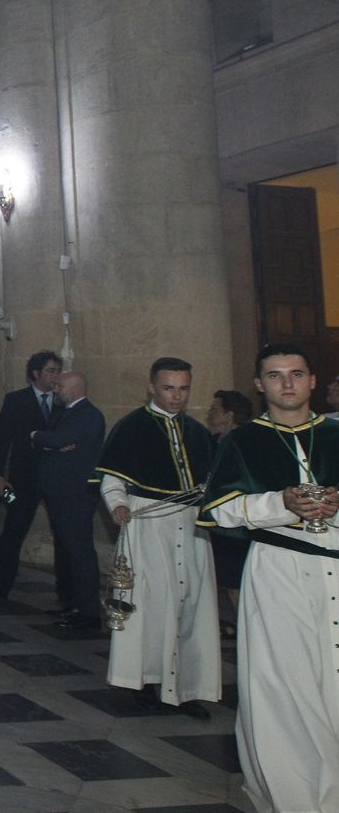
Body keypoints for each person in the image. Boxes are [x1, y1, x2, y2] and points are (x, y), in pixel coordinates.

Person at [199, 343, 339, 813]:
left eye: (296, 374)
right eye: (275, 376)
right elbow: (219, 511)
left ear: (312, 380)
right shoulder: (243, 441)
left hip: (336, 567)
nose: (287, 384)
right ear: (260, 385)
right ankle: (297, 796)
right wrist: (278, 503)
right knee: (286, 683)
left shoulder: (337, 432)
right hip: (278, 570)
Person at [94, 356, 219, 719]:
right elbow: (112, 478)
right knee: (153, 605)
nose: (177, 396)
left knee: (192, 604)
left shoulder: (196, 432)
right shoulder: (130, 427)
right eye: (169, 388)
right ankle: (149, 681)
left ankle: (185, 686)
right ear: (152, 387)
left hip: (192, 525)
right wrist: (117, 506)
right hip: (147, 525)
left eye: (183, 389)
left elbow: (208, 479)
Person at [30, 370, 106, 630]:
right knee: (67, 550)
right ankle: (72, 603)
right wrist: (50, 443)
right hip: (60, 493)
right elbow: (56, 442)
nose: (55, 389)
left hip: (75, 495)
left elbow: (56, 440)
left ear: (73, 388)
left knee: (80, 551)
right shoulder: (66, 414)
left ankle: (88, 612)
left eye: (60, 385)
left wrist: (36, 437)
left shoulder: (88, 415)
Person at [0, 350, 63, 598]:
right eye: (50, 371)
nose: (55, 377)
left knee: (63, 533)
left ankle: (66, 594)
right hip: (23, 479)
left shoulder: (62, 400)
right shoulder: (16, 400)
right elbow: (1, 440)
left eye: (57, 371)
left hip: (55, 479)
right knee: (13, 530)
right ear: (36, 373)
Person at [204, 388, 255, 636]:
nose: (210, 413)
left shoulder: (241, 440)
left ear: (229, 414)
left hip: (237, 526)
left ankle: (249, 632)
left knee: (236, 582)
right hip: (223, 524)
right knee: (229, 581)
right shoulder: (218, 440)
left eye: (215, 409)